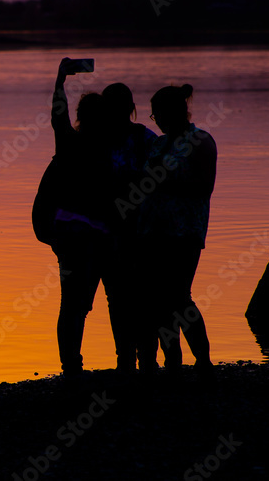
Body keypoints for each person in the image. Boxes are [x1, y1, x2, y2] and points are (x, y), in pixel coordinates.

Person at [138, 83, 216, 372]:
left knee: (180, 296)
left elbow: (205, 186)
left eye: (156, 114)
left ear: (169, 112)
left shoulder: (201, 141)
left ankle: (203, 360)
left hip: (185, 232)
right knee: (159, 300)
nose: (154, 120)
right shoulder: (158, 143)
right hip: (151, 232)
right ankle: (173, 359)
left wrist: (165, 182)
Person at [48, 58, 114, 381]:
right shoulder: (110, 151)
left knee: (71, 302)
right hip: (88, 236)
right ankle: (74, 365)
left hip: (68, 234)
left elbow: (57, 116)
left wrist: (60, 81)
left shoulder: (69, 144)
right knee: (80, 303)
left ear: (80, 118)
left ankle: (71, 365)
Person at [99, 83, 158, 373]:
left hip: (135, 230)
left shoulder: (143, 139)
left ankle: (137, 358)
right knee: (129, 295)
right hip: (119, 230)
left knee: (127, 296)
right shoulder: (144, 138)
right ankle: (133, 358)